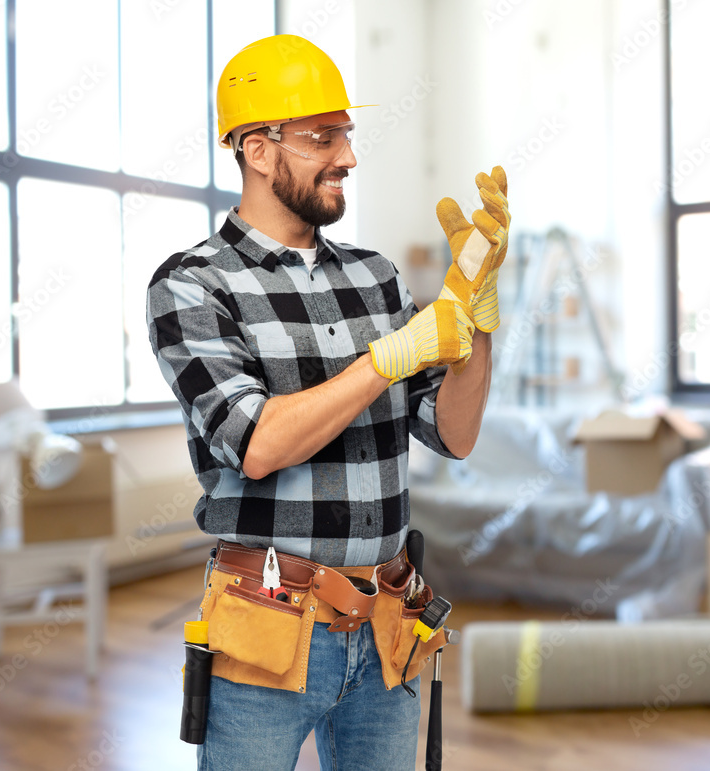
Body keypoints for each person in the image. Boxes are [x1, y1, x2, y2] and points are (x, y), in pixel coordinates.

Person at [147, 34, 509, 770]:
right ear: (256, 148)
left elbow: (455, 432)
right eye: (323, 136)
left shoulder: (374, 277)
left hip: (387, 622)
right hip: (269, 628)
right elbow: (256, 443)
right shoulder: (192, 285)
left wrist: (474, 326)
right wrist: (386, 359)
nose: (346, 156)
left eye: (346, 134)